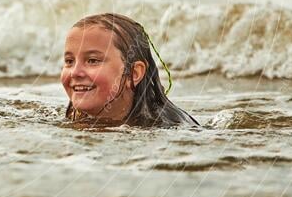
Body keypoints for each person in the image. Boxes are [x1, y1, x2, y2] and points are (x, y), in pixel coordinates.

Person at [61, 13, 198, 127]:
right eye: (69, 61)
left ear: (133, 73)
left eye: (92, 61)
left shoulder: (161, 130)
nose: (75, 72)